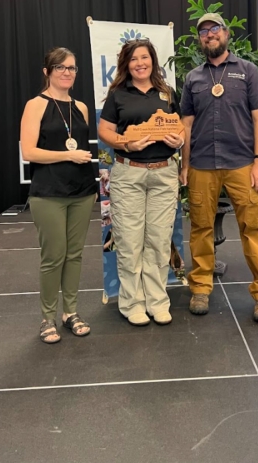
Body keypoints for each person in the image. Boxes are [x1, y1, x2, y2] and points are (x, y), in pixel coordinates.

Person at [179, 13, 258, 323]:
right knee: (200, 229)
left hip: (242, 164)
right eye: (203, 32)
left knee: (253, 229)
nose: (209, 35)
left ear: (225, 34)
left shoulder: (247, 72)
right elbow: (187, 124)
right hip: (202, 165)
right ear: (200, 40)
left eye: (214, 29)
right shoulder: (193, 78)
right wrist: (184, 165)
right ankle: (201, 288)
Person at [97, 39, 183, 327]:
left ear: (153, 61)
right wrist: (127, 143)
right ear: (126, 64)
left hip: (164, 174)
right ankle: (132, 303)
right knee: (130, 242)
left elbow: (180, 127)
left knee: (158, 241)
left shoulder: (167, 93)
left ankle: (158, 302)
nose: (140, 63)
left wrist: (179, 140)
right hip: (129, 173)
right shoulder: (118, 95)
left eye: (144, 58)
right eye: (134, 59)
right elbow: (105, 131)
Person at [20, 47, 97, 344]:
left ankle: (71, 313)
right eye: (60, 67)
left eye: (72, 68)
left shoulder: (81, 107)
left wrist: (84, 175)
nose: (67, 72)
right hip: (48, 193)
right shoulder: (35, 105)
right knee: (53, 257)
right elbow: (29, 152)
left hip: (81, 191)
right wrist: (68, 157)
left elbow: (79, 150)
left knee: (75, 255)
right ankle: (47, 318)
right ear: (47, 71)